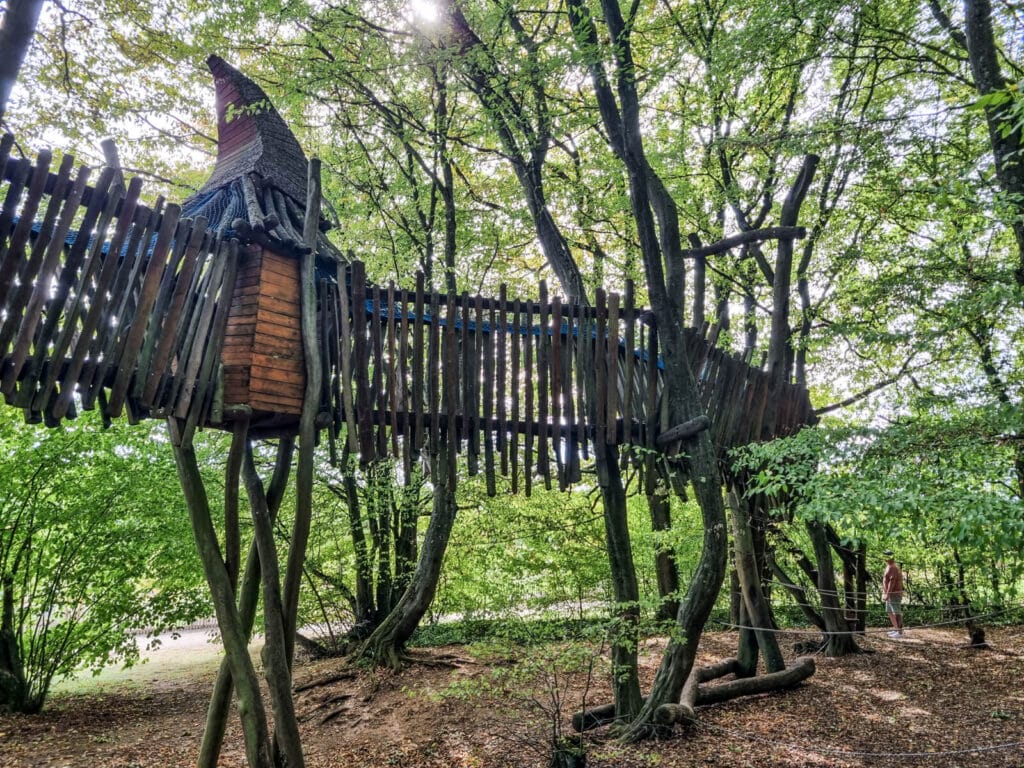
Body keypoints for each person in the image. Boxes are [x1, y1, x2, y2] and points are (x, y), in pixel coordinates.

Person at [882, 550, 904, 637]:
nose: (885, 558)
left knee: (896, 612)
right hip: (889, 593)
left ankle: (900, 632)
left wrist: (888, 593)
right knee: (889, 611)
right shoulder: (888, 566)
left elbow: (892, 581)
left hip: (893, 593)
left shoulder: (893, 567)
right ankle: (896, 629)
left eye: (887, 556)